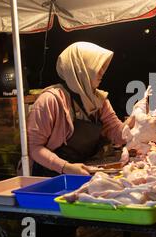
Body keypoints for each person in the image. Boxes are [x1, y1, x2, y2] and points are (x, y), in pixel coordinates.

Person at [27, 41, 131, 176]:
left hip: (84, 172)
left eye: (103, 68)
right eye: (97, 66)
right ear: (80, 68)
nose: (102, 73)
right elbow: (33, 147)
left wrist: (137, 121)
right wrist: (65, 167)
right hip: (51, 177)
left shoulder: (100, 100)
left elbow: (118, 134)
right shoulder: (50, 100)